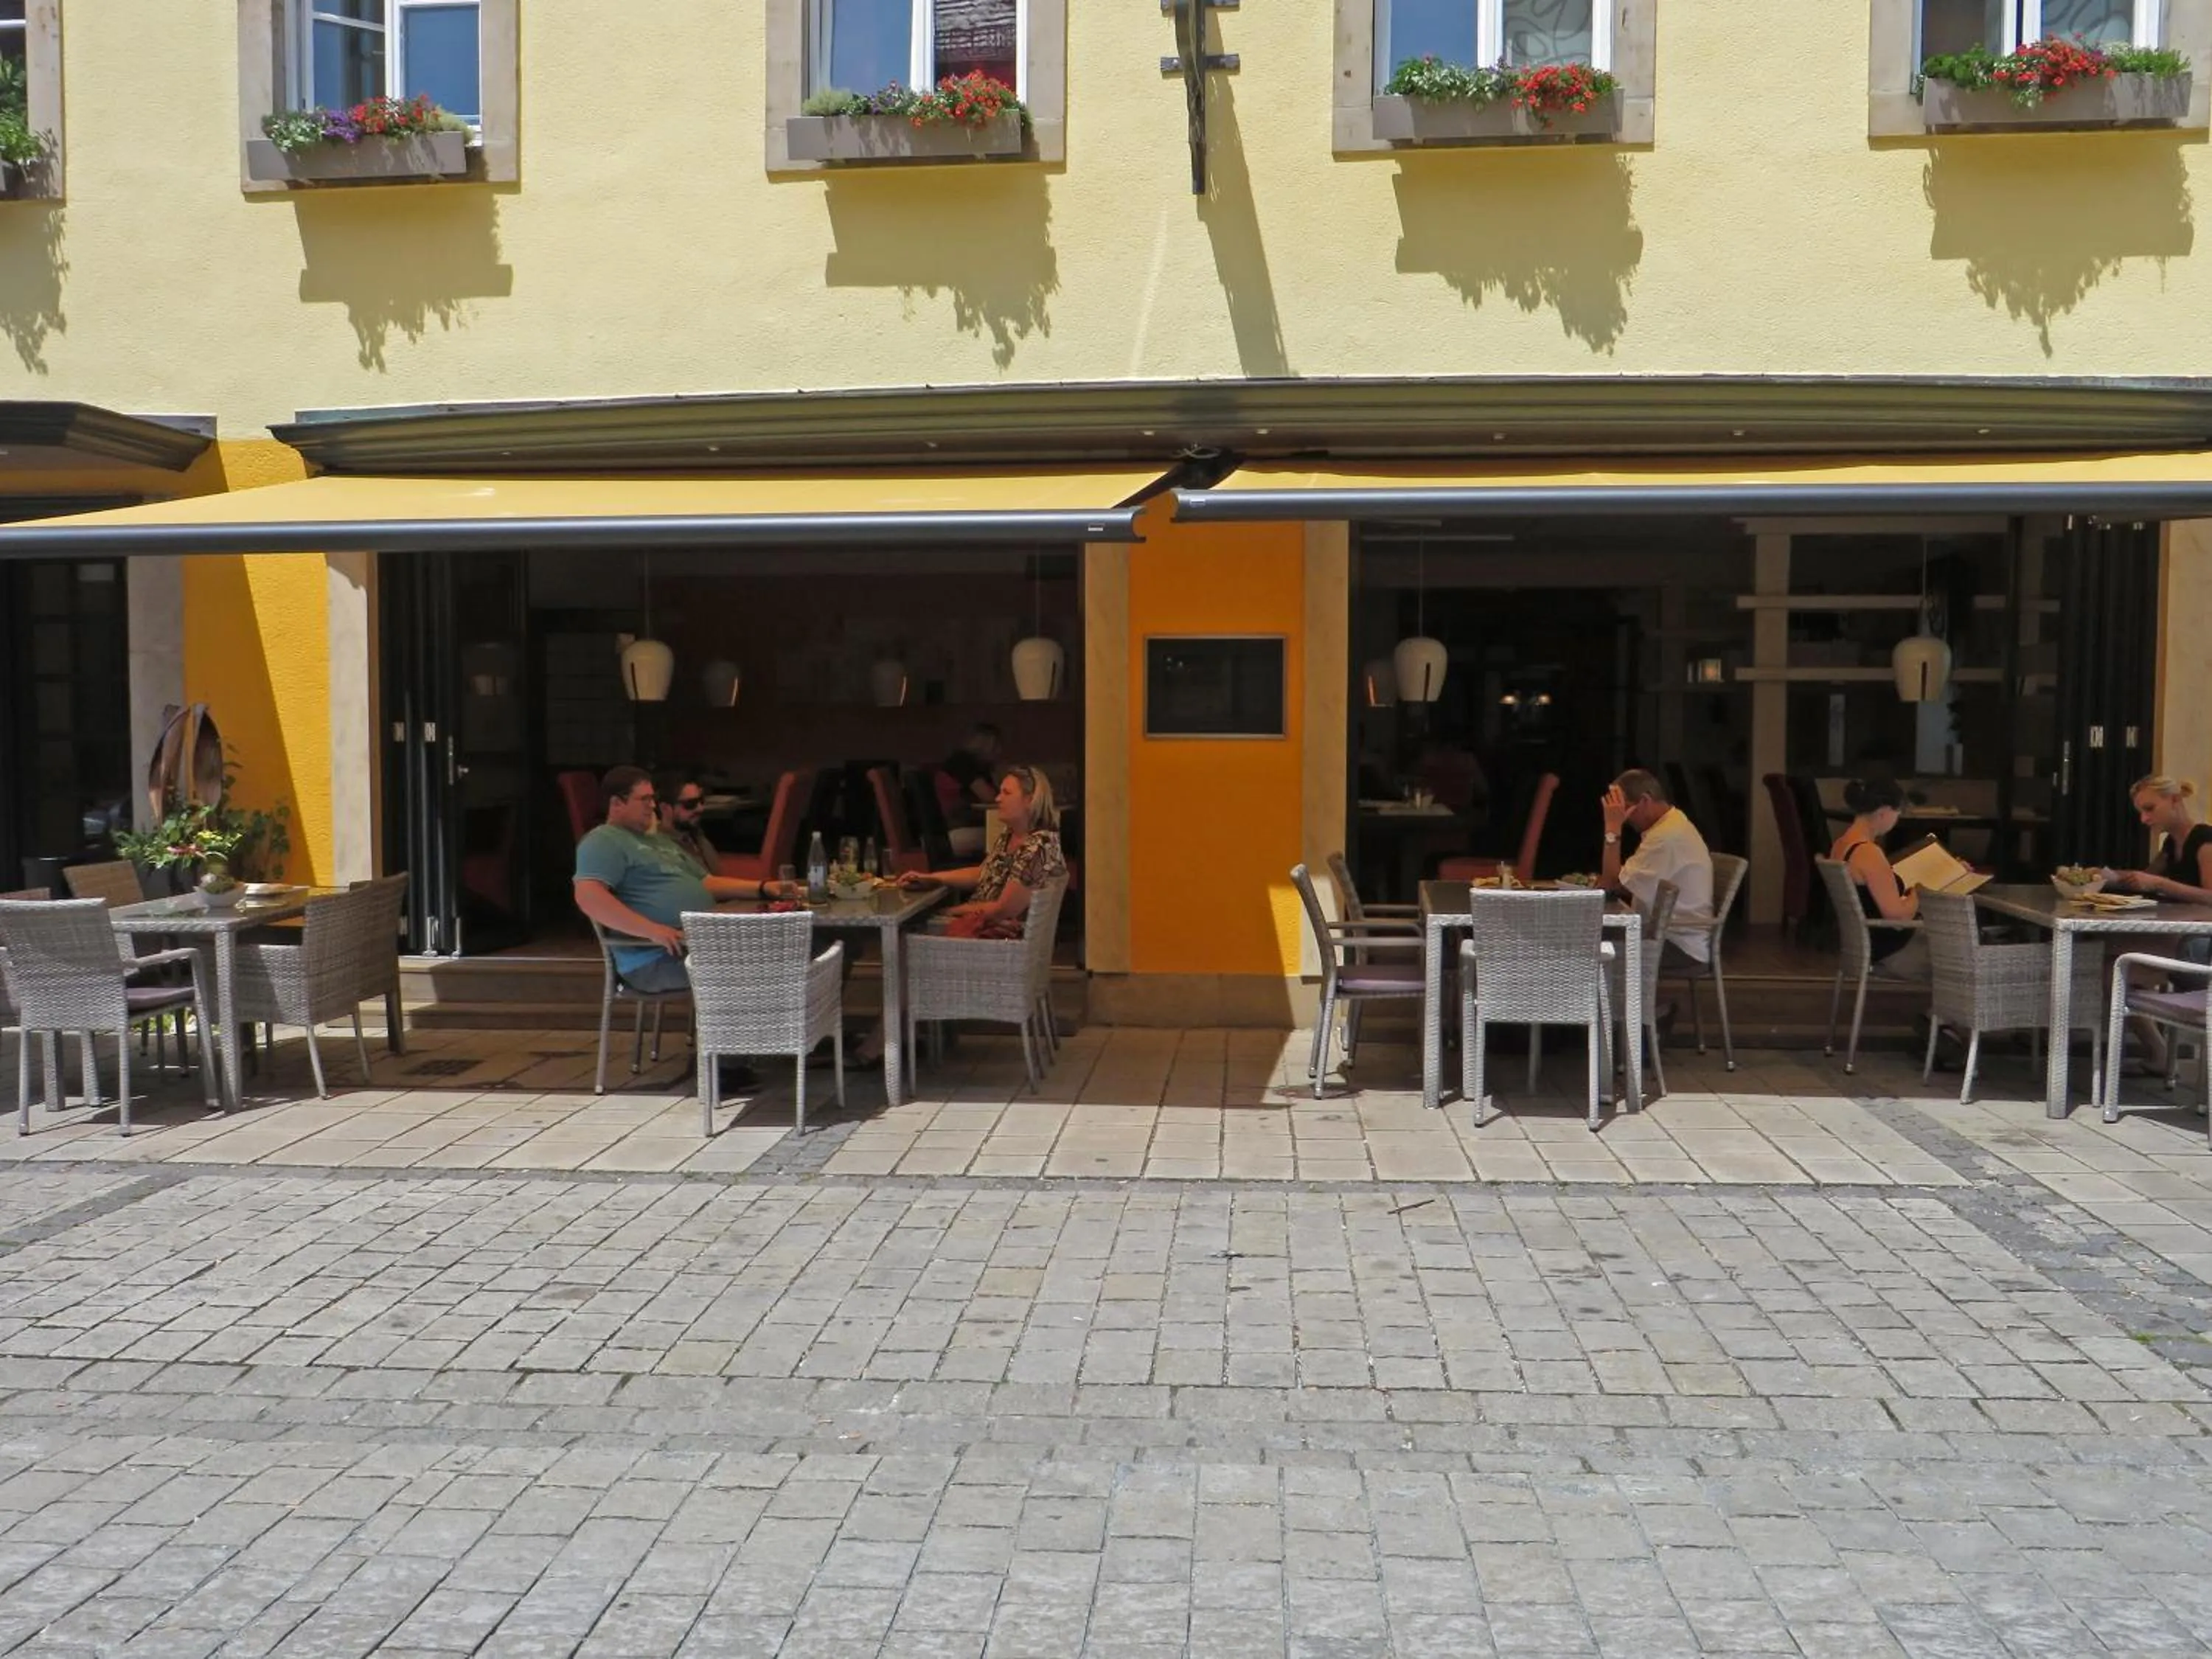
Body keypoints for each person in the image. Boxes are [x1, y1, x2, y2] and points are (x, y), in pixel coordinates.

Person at [573, 766, 799, 996]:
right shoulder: (603, 840)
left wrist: (764, 888)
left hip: (696, 947)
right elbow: (588, 897)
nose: (652, 806)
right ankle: (750, 1032)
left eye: (653, 799)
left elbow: (706, 883)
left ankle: (785, 1029)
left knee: (791, 949)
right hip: (656, 958)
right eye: (644, 799)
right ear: (616, 803)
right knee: (766, 966)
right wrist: (652, 930)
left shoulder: (658, 840)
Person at [898, 764, 1068, 940]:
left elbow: (1003, 909)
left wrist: (949, 912)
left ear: (1029, 800)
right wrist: (933, 878)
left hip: (999, 937)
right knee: (913, 924)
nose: (997, 798)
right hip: (980, 925)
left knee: (907, 931)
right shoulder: (1011, 833)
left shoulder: (1039, 846)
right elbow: (985, 872)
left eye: (1006, 793)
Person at [1599, 768, 1716, 965]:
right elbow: (1617, 881)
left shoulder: (1666, 837)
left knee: (1589, 943)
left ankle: (1604, 997)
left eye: (1624, 809)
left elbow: (1611, 882)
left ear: (1645, 801)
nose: (1624, 819)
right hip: (1662, 933)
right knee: (1594, 934)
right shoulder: (1669, 824)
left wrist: (1612, 827)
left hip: (1678, 945)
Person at [1828, 776, 1928, 977]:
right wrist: (1922, 889)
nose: (1897, 819)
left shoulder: (1841, 845)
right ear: (1883, 813)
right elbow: (1899, 918)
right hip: (1892, 953)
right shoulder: (1869, 853)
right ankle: (1944, 1009)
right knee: (1962, 951)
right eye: (1897, 813)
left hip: (1864, 946)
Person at [2109, 774, 2212, 907]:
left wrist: (2160, 884)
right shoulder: (2171, 843)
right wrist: (2102, 876)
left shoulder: (2206, 841)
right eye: (2141, 812)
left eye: (2149, 809)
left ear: (2175, 800)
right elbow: (2144, 877)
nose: (2144, 819)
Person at [936, 724, 1002, 857]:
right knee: (1009, 836)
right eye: (997, 746)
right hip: (953, 831)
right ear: (988, 745)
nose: (1000, 752)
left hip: (956, 827)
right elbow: (990, 797)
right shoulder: (964, 763)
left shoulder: (973, 764)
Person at [655, 770, 720, 874]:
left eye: (701, 801)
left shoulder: (698, 837)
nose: (700, 808)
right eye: (690, 804)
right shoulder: (659, 849)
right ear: (665, 808)